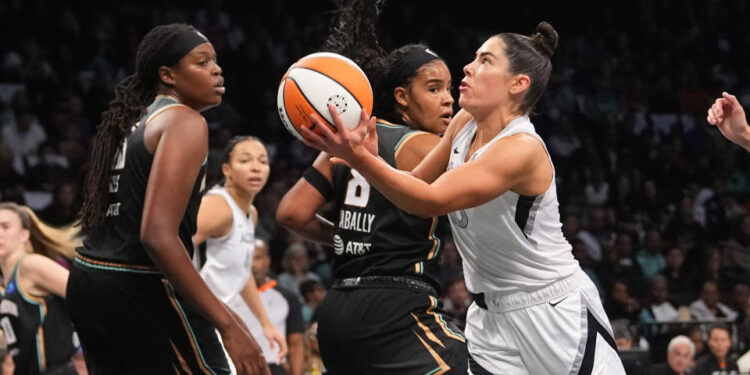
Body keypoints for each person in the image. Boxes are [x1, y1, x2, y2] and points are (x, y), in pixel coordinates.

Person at [301, 21, 626, 374]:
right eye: (474, 58)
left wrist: (359, 159)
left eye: (485, 61)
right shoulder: (464, 122)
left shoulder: (521, 148)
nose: (468, 67)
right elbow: (412, 185)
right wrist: (372, 160)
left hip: (552, 308)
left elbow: (428, 200)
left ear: (518, 84)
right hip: (490, 316)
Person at [277, 0, 468, 373]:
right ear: (401, 97)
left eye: (449, 88)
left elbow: (290, 213)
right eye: (434, 89)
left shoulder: (350, 141)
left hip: (336, 310)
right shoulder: (426, 146)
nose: (449, 99)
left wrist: (347, 238)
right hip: (395, 308)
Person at [66, 23, 268, 374]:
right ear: (167, 75)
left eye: (215, 62)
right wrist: (230, 325)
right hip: (140, 281)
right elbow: (157, 235)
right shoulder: (184, 121)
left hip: (90, 278)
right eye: (201, 62)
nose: (216, 69)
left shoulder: (133, 122)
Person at [194, 135, 287, 367]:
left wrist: (266, 324)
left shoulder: (250, 213)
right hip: (195, 319)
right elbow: (170, 249)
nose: (256, 167)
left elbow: (242, 271)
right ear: (227, 169)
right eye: (245, 161)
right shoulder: (217, 207)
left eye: (262, 161)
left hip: (216, 321)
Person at [0, 202, 79, 374]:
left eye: (5, 227)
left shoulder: (31, 265)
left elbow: (84, 293)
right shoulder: (6, 283)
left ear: (24, 235)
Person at [248, 238, 305, 375]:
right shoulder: (227, 295)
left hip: (275, 367)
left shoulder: (287, 297)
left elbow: (296, 344)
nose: (252, 264)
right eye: (247, 257)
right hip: (237, 367)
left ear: (267, 260)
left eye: (258, 258)